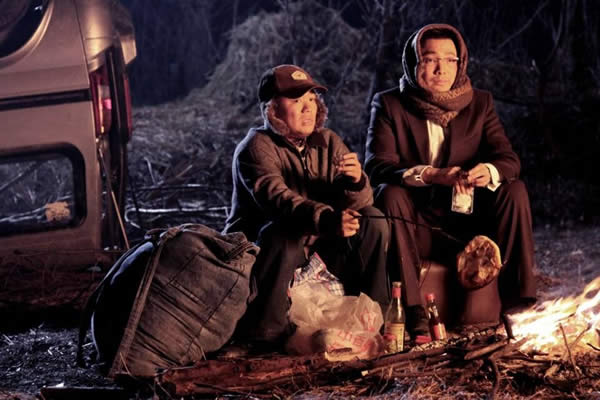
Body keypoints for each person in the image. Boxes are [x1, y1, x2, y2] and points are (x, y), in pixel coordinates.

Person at [365, 24, 536, 337]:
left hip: (469, 223)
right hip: (417, 226)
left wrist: (488, 171)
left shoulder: (480, 103)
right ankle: (414, 312)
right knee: (389, 193)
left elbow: (508, 160)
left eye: (450, 60)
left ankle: (518, 304)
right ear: (413, 63)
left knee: (514, 189)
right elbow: (377, 166)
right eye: (430, 59)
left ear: (461, 63)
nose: (441, 69)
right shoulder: (389, 104)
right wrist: (431, 174)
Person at [224, 64, 390, 346]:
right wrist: (327, 219)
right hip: (267, 256)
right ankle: (267, 334)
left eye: (312, 100)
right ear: (272, 109)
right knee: (283, 233)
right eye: (297, 101)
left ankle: (374, 322)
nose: (307, 108)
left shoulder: (328, 141)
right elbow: (278, 200)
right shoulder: (256, 147)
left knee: (372, 220)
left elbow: (362, 203)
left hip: (318, 252)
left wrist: (354, 183)